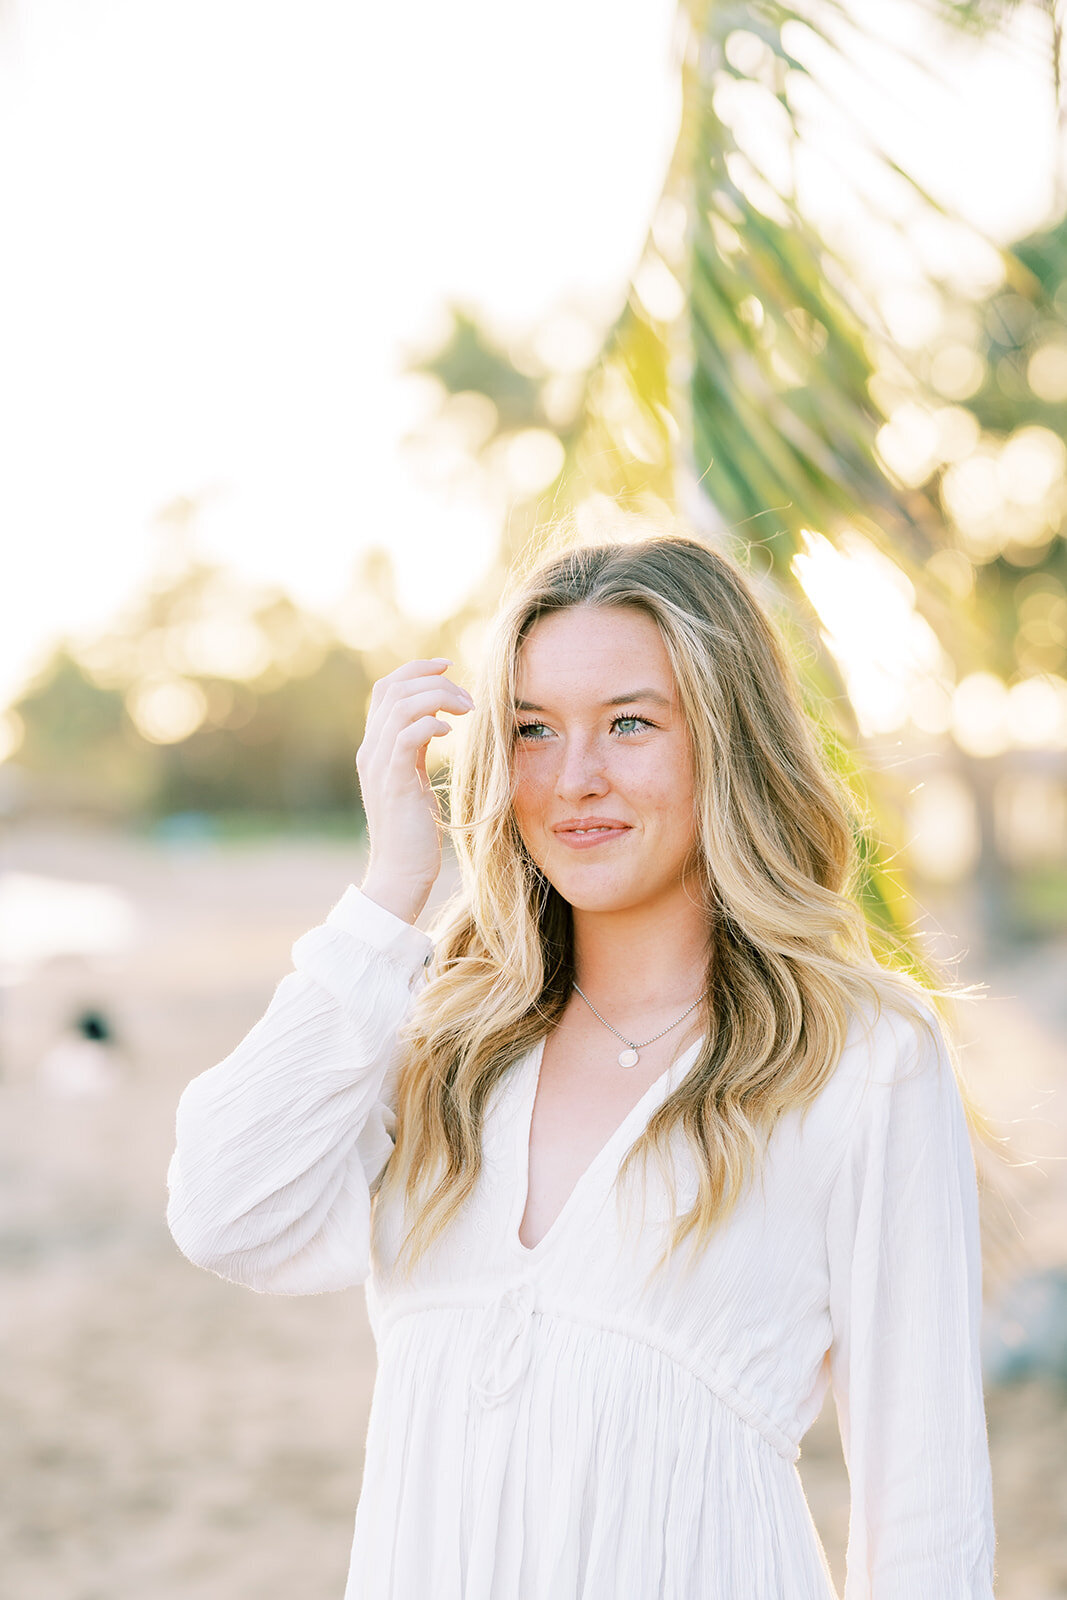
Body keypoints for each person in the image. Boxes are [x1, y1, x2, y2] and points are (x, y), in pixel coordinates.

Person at [166, 531, 997, 1599]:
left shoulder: (860, 1054)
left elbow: (922, 1503)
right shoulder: (433, 1031)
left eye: (629, 724)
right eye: (531, 731)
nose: (574, 779)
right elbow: (223, 1210)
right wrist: (386, 897)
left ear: (725, 739)